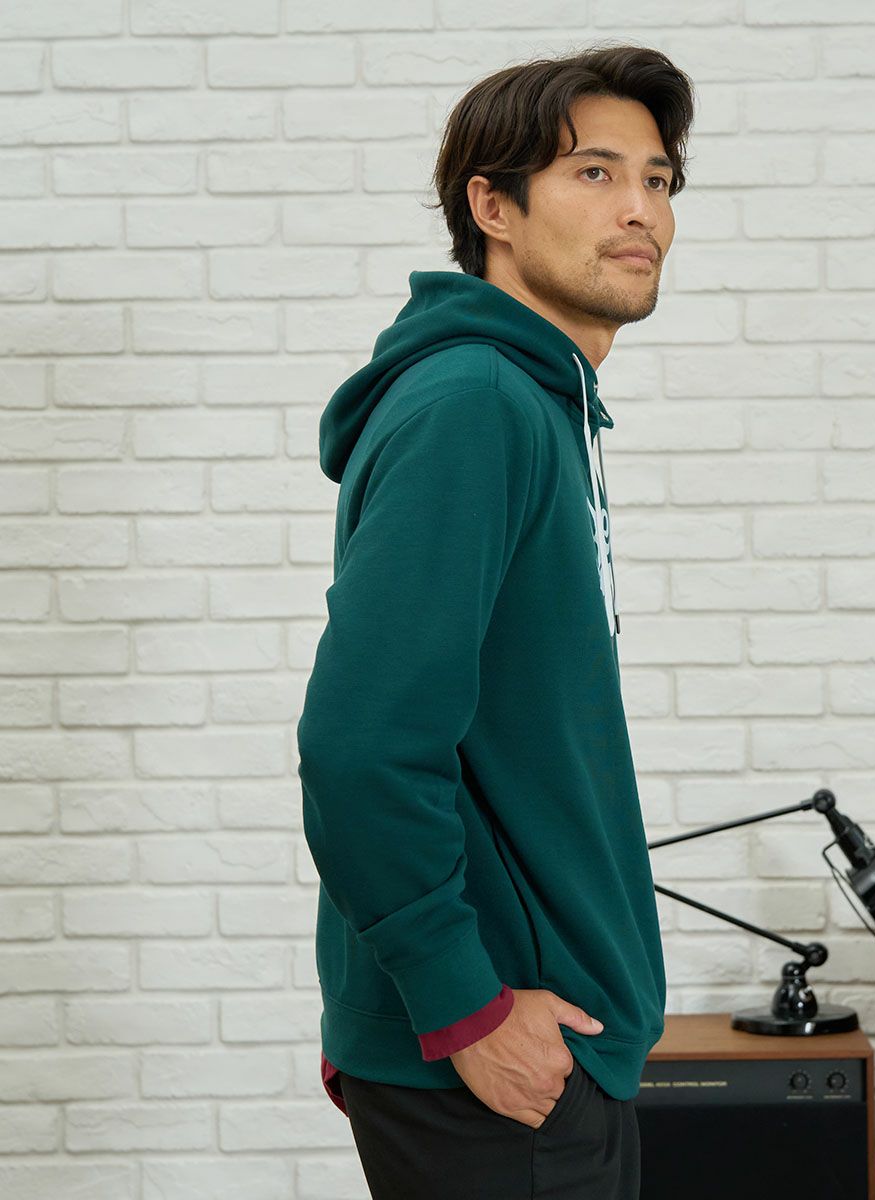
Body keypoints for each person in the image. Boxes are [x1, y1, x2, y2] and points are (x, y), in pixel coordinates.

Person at [296, 41, 696, 1200]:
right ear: (493, 208)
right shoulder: (476, 404)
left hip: (534, 1044)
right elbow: (361, 744)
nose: (640, 210)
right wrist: (461, 1005)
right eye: (594, 173)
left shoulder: (528, 401)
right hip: (498, 1059)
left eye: (658, 180)